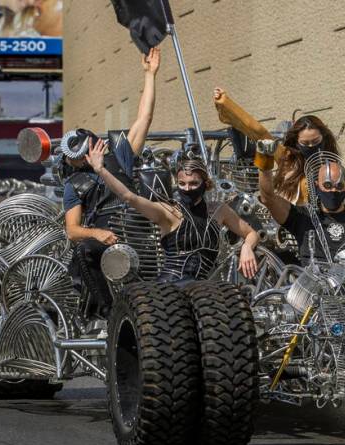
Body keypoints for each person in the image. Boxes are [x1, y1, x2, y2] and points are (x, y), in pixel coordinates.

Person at [61, 47, 160, 314]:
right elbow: (72, 230)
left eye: (87, 148)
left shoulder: (120, 152)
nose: (85, 157)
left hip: (139, 232)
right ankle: (108, 313)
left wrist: (150, 75)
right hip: (107, 239)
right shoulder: (75, 184)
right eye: (78, 158)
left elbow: (144, 118)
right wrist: (96, 233)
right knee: (83, 252)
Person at [86, 139, 260, 283]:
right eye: (182, 184)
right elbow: (128, 197)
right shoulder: (168, 212)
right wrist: (100, 170)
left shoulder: (219, 210)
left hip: (204, 290)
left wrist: (247, 247)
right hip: (171, 288)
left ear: (206, 185)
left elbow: (252, 233)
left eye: (193, 184)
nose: (187, 188)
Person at [255, 143, 345, 263]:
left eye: (339, 186)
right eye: (327, 185)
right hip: (315, 288)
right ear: (316, 186)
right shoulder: (302, 217)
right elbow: (268, 198)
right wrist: (265, 162)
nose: (333, 190)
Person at [213, 87, 341, 205]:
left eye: (316, 141)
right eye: (305, 143)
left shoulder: (335, 167)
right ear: (296, 142)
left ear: (324, 137)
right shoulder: (287, 158)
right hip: (288, 221)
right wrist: (225, 103)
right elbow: (259, 132)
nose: (311, 146)